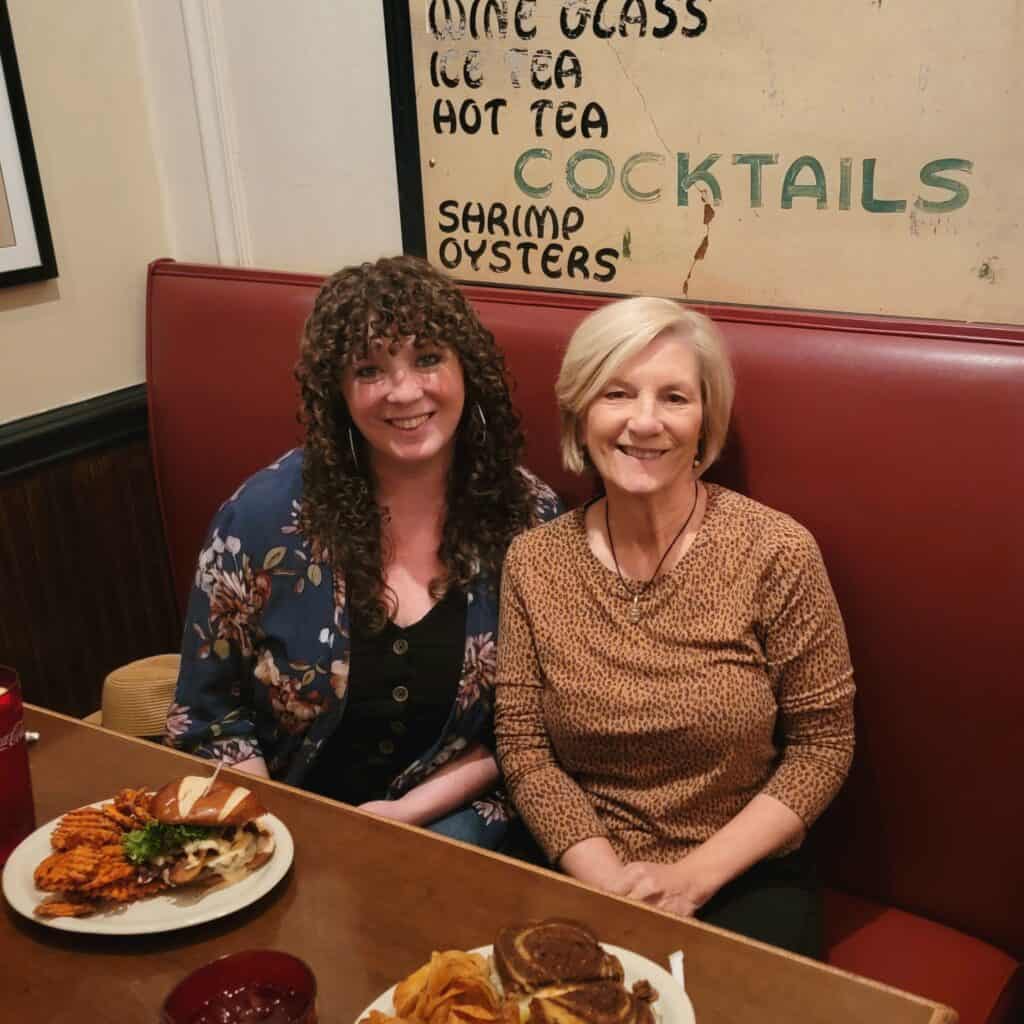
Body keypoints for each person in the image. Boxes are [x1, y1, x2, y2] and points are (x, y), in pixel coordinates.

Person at [494, 297, 854, 954]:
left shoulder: (776, 552)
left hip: (741, 874)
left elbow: (822, 747)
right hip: (579, 866)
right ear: (580, 412)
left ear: (705, 419)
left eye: (675, 398)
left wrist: (689, 881)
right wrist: (604, 876)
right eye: (617, 393)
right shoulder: (534, 561)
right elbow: (523, 749)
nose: (644, 421)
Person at [164, 255, 561, 849]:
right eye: (370, 370)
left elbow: (532, 729)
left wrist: (401, 819)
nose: (404, 391)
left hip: (458, 821)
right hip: (279, 819)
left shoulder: (530, 518)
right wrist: (276, 841)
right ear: (337, 394)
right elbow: (207, 714)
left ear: (466, 370)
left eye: (427, 358)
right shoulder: (261, 518)